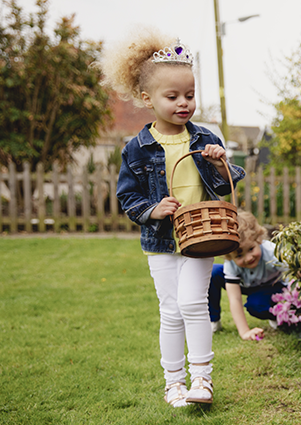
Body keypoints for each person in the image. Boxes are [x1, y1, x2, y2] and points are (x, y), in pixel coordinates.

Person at [102, 28, 245, 408]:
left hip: (202, 235)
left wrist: (218, 163)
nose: (184, 103)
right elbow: (127, 196)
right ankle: (174, 383)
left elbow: (225, 185)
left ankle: (202, 377)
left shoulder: (202, 138)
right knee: (170, 310)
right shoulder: (136, 147)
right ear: (147, 99)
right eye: (173, 96)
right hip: (162, 243)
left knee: (193, 304)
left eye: (190, 95)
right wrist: (152, 210)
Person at [208, 210, 287, 339]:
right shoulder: (231, 263)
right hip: (246, 283)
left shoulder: (273, 252)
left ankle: (276, 315)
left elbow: (296, 277)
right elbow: (235, 298)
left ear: (258, 239)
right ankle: (213, 320)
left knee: (256, 305)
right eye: (239, 255)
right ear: (229, 256)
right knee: (213, 273)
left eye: (251, 249)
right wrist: (244, 332)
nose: (248, 258)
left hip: (271, 287)